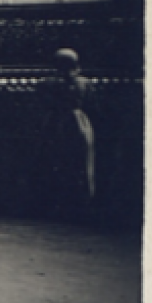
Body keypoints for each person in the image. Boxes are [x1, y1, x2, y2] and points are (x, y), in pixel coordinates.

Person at [35, 48, 96, 218]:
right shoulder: (85, 83)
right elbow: (93, 103)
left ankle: (54, 204)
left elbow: (40, 100)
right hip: (79, 122)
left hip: (55, 122)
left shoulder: (47, 84)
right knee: (80, 163)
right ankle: (81, 204)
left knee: (54, 161)